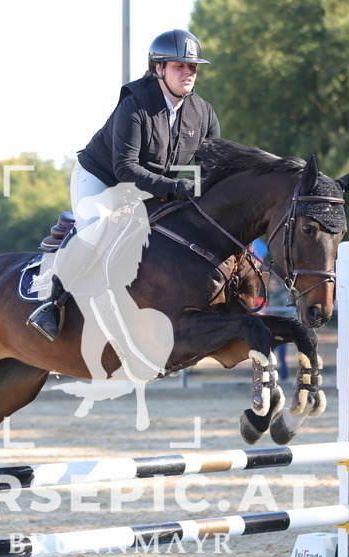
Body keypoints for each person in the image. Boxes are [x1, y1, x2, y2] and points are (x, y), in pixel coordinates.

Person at [27, 28, 221, 341]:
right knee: (94, 226)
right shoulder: (136, 104)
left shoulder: (203, 113)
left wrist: (193, 189)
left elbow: (209, 165)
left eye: (193, 67)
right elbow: (125, 167)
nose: (188, 72)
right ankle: (53, 304)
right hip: (103, 180)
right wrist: (175, 189)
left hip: (154, 189)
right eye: (179, 66)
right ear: (158, 69)